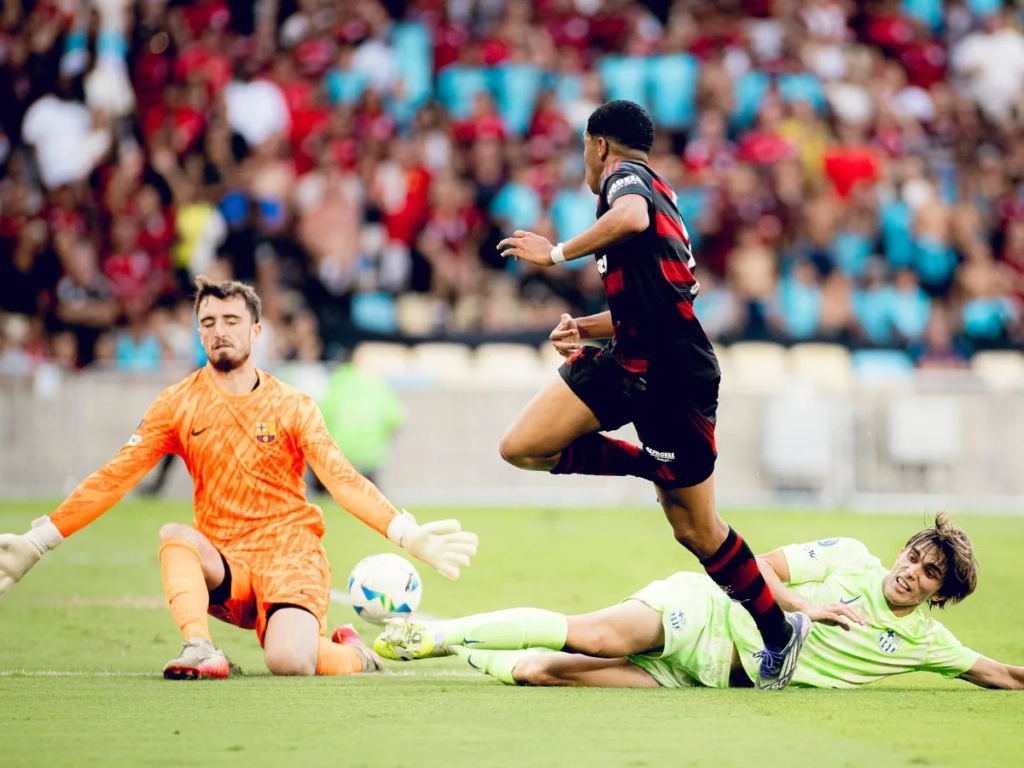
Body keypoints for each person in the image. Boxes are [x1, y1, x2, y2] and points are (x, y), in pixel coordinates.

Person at [0, 276, 479, 680]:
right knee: (174, 536)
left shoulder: (292, 405)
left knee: (288, 661)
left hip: (290, 558)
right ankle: (199, 648)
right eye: (208, 322)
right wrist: (38, 540)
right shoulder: (176, 404)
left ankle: (356, 654)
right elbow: (114, 477)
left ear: (256, 331)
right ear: (198, 333)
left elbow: (342, 479)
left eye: (231, 321)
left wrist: (407, 533)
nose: (219, 331)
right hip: (228, 565)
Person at [494, 99, 808, 689]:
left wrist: (554, 253)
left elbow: (631, 217)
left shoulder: (628, 182)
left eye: (584, 149)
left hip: (673, 376)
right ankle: (649, 465)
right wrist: (583, 327)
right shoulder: (664, 199)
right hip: (628, 359)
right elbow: (659, 301)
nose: (585, 161)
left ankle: (779, 634)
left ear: (599, 145)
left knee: (696, 530)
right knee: (522, 446)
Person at [375, 513, 1024, 691]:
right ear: (903, 550)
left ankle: (462, 646)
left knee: (543, 671)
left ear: (941, 594)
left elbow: (1001, 675)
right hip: (709, 613)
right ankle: (438, 635)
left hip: (711, 678)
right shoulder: (850, 557)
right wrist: (801, 607)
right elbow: (756, 566)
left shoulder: (924, 643)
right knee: (592, 634)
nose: (912, 573)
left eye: (930, 574)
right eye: (914, 557)